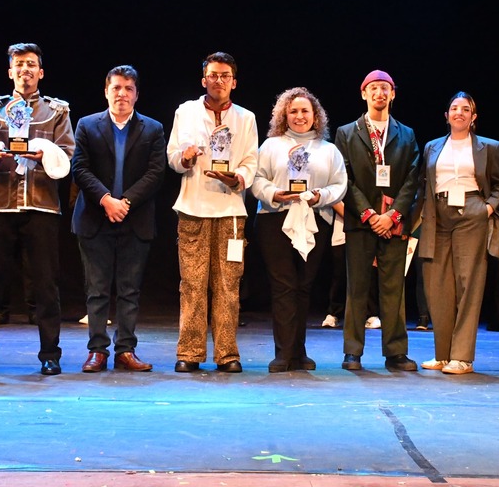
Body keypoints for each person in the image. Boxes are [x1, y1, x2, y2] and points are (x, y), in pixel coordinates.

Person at [0, 43, 75, 376]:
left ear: (41, 72)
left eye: (31, 64)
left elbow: (68, 153)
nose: (25, 70)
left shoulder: (57, 111)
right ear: (10, 71)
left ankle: (50, 354)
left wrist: (45, 153)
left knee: (46, 284)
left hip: (42, 206)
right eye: (19, 64)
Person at [166, 52, 258, 373]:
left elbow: (251, 161)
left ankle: (227, 353)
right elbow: (173, 156)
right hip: (193, 208)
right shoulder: (186, 111)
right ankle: (189, 351)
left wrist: (239, 177)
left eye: (225, 75)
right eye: (213, 75)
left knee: (228, 285)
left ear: (234, 81)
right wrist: (186, 158)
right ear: (203, 79)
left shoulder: (246, 118)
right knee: (191, 283)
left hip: (231, 211)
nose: (219, 81)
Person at [71, 65, 166, 373]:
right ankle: (97, 350)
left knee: (129, 291)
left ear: (136, 94)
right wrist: (106, 200)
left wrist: (125, 202)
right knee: (96, 290)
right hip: (95, 218)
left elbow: (156, 173)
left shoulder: (153, 129)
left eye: (128, 88)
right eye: (116, 88)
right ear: (106, 91)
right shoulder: (86, 125)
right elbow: (80, 168)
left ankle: (126, 350)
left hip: (134, 219)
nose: (122, 94)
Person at [252, 87, 347, 372]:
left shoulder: (328, 150)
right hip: (275, 218)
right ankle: (283, 353)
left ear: (315, 116)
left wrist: (320, 196)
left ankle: (299, 352)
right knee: (284, 285)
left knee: (303, 286)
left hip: (315, 219)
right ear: (284, 115)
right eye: (293, 111)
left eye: (305, 110)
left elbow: (339, 185)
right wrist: (275, 193)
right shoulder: (271, 146)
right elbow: (256, 180)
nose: (299, 116)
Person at [416, 91, 499, 375]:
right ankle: (443, 354)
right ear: (446, 116)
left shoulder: (489, 147)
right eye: (454, 108)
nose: (459, 113)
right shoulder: (432, 147)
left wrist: (486, 210)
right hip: (438, 214)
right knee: (438, 284)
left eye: (465, 109)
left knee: (469, 283)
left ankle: (463, 357)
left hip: (472, 212)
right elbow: (423, 184)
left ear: (473, 117)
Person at [334, 69, 420, 371]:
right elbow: (345, 177)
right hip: (362, 222)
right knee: (356, 287)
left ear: (393, 94)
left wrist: (393, 214)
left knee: (394, 289)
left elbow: (413, 178)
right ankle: (353, 351)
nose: (379, 93)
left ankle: (395, 351)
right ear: (363, 93)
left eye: (385, 88)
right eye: (373, 88)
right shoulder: (346, 132)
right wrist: (370, 215)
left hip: (394, 222)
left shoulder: (406, 134)